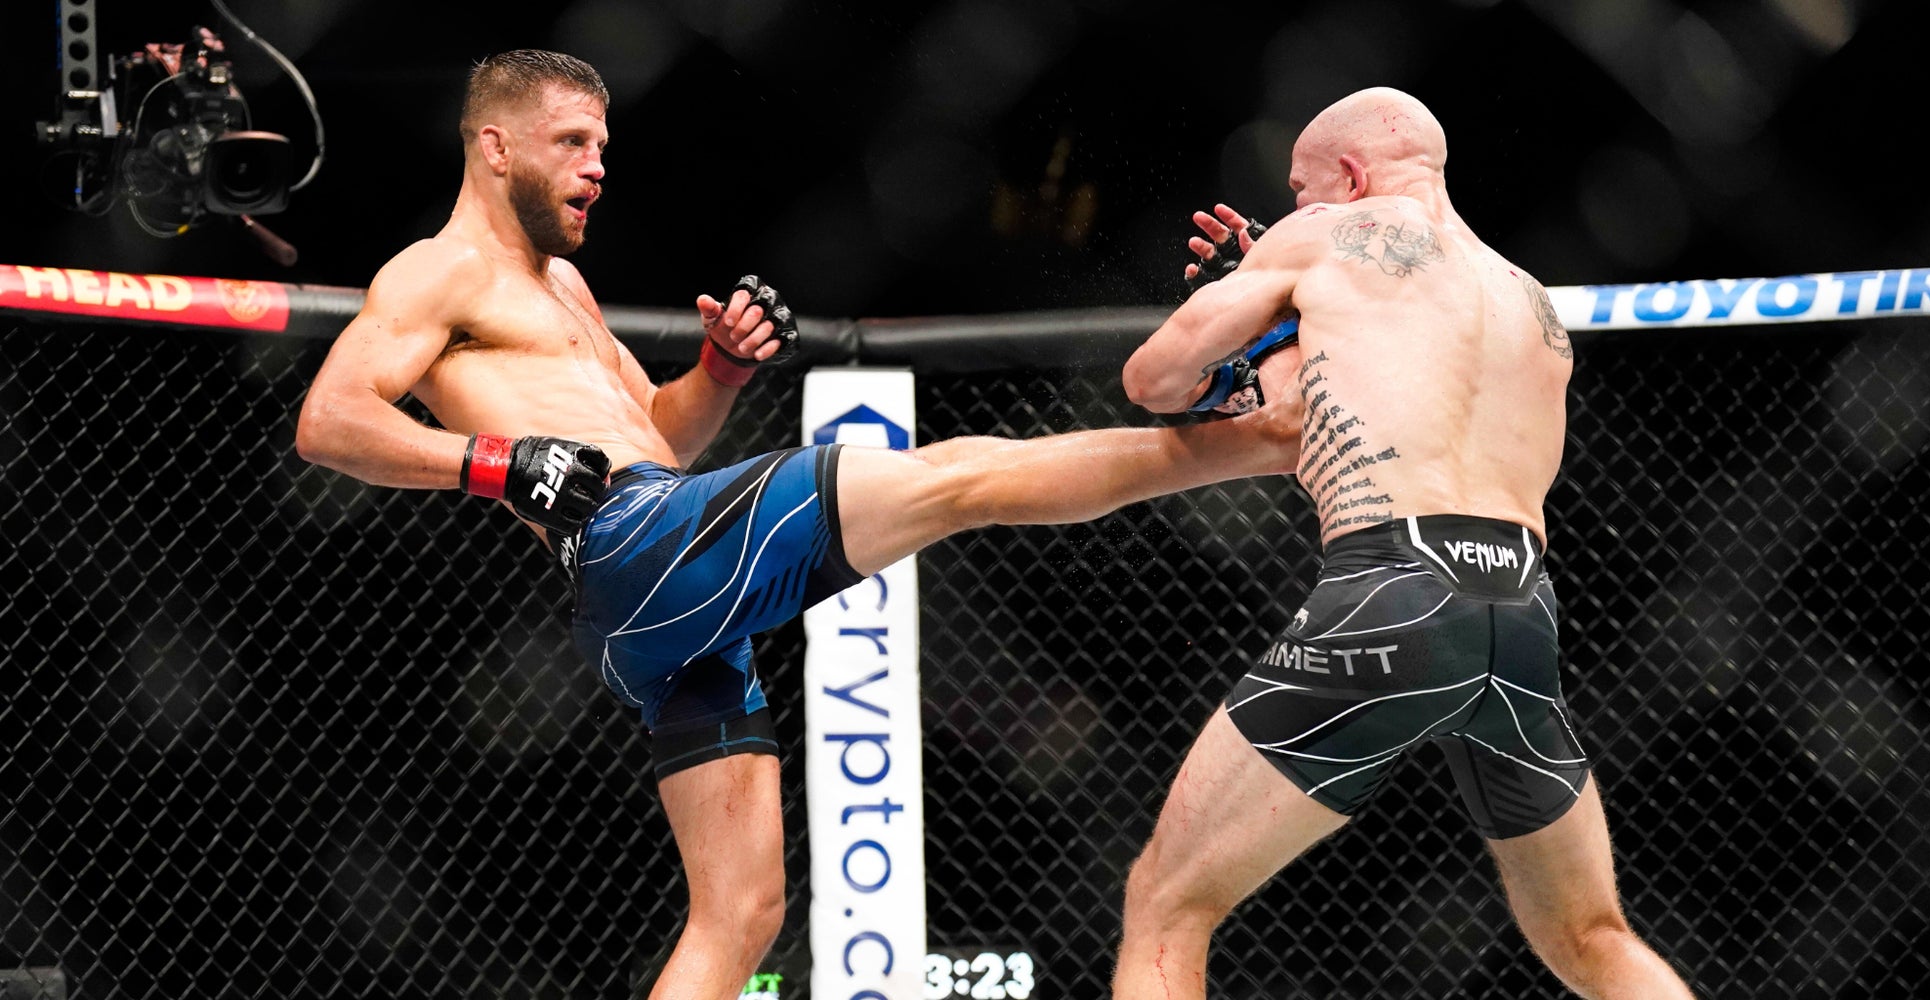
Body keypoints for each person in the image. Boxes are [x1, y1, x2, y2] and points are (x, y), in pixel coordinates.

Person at [292, 50, 1302, 1000]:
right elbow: (330, 422)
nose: (597, 167)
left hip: (653, 590)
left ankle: (1252, 438)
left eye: (602, 144)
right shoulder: (433, 270)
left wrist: (718, 371)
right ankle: (1262, 440)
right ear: (495, 145)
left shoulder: (561, 283)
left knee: (738, 915)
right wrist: (495, 463)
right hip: (637, 544)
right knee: (958, 478)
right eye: (570, 143)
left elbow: (653, 437)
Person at [1115, 88, 1696, 999]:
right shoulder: (1527, 298)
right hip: (1522, 609)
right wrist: (1284, 329)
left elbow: (1151, 380)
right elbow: (1365, 406)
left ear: (1349, 175)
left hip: (1395, 586)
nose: (1293, 212)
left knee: (1168, 902)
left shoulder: (1318, 240)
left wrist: (1249, 292)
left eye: (1302, 192)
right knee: (1590, 936)